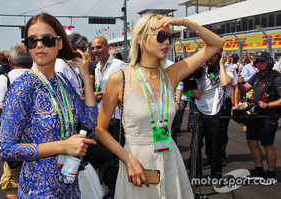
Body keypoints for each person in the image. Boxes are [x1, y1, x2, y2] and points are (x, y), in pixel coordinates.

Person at [95, 13, 224, 198]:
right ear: (140, 38)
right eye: (161, 36)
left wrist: (183, 22)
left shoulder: (171, 74)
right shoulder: (120, 79)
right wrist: (127, 158)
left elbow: (216, 44)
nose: (167, 42)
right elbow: (100, 129)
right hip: (135, 162)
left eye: (170, 37)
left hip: (170, 159)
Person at [0, 13, 97, 198]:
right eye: (32, 40)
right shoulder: (22, 88)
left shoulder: (63, 84)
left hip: (69, 187)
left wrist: (85, 77)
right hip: (37, 191)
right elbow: (5, 149)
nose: (39, 45)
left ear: (59, 43)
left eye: (48, 39)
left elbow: (89, 123)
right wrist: (63, 146)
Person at [0, 43, 33, 199]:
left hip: (15, 143)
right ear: (31, 61)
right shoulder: (41, 77)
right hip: (42, 142)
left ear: (9, 61)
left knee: (12, 186)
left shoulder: (5, 80)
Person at [90, 36, 127, 199]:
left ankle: (115, 191)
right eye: (93, 48)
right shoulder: (97, 67)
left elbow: (126, 91)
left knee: (113, 158)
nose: (95, 51)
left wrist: (105, 96)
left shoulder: (119, 65)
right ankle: (110, 190)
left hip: (116, 119)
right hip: (101, 118)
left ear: (107, 47)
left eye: (98, 47)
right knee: (103, 157)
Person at [237, 51, 281, 185]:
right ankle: (259, 170)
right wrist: (239, 83)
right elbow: (244, 89)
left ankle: (271, 173)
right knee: (251, 142)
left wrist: (267, 104)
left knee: (267, 145)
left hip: (268, 116)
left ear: (269, 62)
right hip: (254, 115)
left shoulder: (276, 77)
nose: (259, 64)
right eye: (257, 61)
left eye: (262, 61)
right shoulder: (256, 76)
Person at [191, 50, 234, 181]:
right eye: (209, 55)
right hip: (200, 112)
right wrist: (191, 80)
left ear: (220, 55)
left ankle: (216, 176)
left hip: (216, 113)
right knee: (195, 145)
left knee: (216, 146)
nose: (210, 57)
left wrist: (221, 64)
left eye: (214, 54)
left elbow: (226, 82)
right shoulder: (202, 69)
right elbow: (198, 95)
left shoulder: (228, 67)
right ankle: (195, 175)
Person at [55, 32, 89, 97]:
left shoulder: (74, 64)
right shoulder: (60, 65)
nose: (84, 52)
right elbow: (62, 96)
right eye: (83, 49)